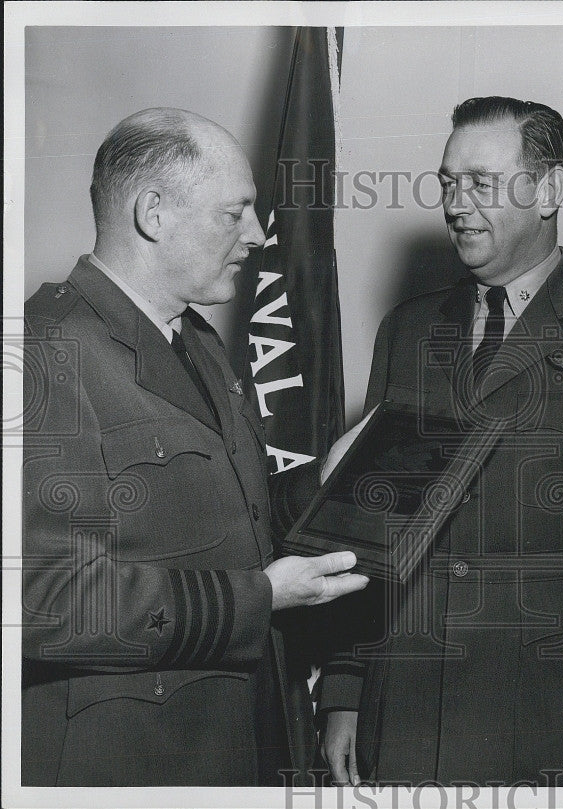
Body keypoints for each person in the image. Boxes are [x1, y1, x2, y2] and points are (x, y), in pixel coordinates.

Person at [315, 97, 563, 786]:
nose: (455, 204)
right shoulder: (406, 332)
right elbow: (368, 527)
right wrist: (347, 688)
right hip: (407, 720)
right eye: (446, 182)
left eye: (481, 182)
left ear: (551, 189)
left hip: (560, 729)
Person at [21, 108, 368, 786]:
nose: (258, 233)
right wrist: (258, 598)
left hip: (228, 748)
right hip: (125, 764)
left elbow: (231, 519)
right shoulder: (45, 351)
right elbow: (44, 600)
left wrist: (322, 479)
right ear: (154, 213)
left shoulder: (195, 341)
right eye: (233, 213)